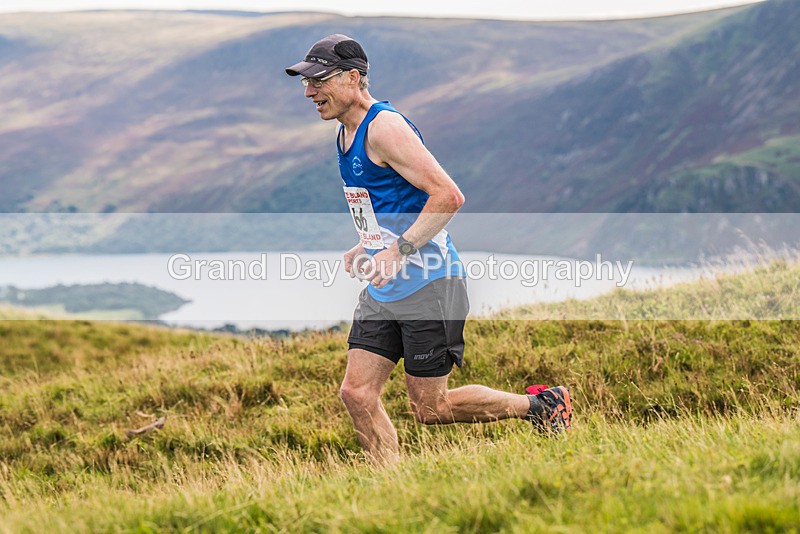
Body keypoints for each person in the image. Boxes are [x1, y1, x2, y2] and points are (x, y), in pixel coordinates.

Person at [286, 34, 572, 465]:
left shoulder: (385, 128)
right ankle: (390, 486)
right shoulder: (345, 134)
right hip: (385, 289)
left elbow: (448, 196)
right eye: (306, 83)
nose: (309, 92)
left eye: (318, 81)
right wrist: (366, 244)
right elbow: (394, 203)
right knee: (356, 394)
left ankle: (544, 406)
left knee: (431, 409)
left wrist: (398, 250)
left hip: (431, 285)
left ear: (352, 78)